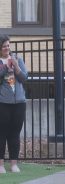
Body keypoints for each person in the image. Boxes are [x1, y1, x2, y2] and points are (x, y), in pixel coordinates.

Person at [0, 35, 28, 173]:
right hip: (3, 103)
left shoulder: (18, 59)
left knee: (14, 133)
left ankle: (13, 164)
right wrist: (6, 67)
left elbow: (24, 78)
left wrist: (16, 66)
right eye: (4, 46)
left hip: (19, 103)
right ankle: (0, 166)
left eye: (8, 45)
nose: (7, 48)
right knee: (1, 133)